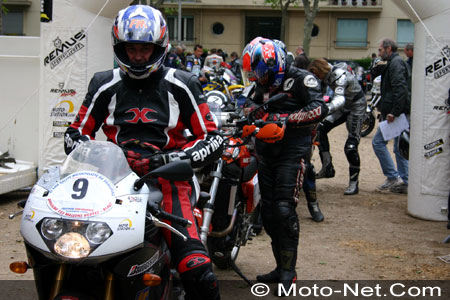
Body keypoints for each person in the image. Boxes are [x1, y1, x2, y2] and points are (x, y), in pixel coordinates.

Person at [63, 6, 222, 300]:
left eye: (145, 49)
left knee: (197, 268)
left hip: (169, 182)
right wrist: (89, 152)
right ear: (119, 48)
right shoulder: (103, 83)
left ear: (158, 47)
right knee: (77, 249)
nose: (137, 56)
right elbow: (76, 132)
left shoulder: (182, 83)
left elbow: (212, 137)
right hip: (112, 181)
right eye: (131, 48)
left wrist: (178, 159)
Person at [243, 38, 328, 294]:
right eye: (254, 72)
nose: (258, 77)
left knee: (283, 210)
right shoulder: (261, 83)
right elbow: (248, 106)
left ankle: (289, 273)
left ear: (274, 64)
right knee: (267, 212)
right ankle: (280, 267)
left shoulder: (302, 78)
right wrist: (253, 114)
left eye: (260, 72)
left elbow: (319, 108)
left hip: (293, 152)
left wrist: (284, 120)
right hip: (265, 152)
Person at [309, 59, 366, 195]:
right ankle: (327, 167)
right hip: (343, 107)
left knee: (351, 146)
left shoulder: (339, 75)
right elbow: (319, 95)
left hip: (356, 106)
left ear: (320, 71)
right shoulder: (325, 76)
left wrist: (323, 110)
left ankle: (354, 182)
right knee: (320, 128)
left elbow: (340, 99)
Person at [372, 38, 410, 194]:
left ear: (388, 49)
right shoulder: (394, 63)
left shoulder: (395, 64)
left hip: (397, 113)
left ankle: (394, 177)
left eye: (380, 50)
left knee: (378, 142)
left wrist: (394, 111)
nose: (379, 53)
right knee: (398, 147)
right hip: (399, 112)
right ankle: (404, 180)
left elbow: (400, 89)